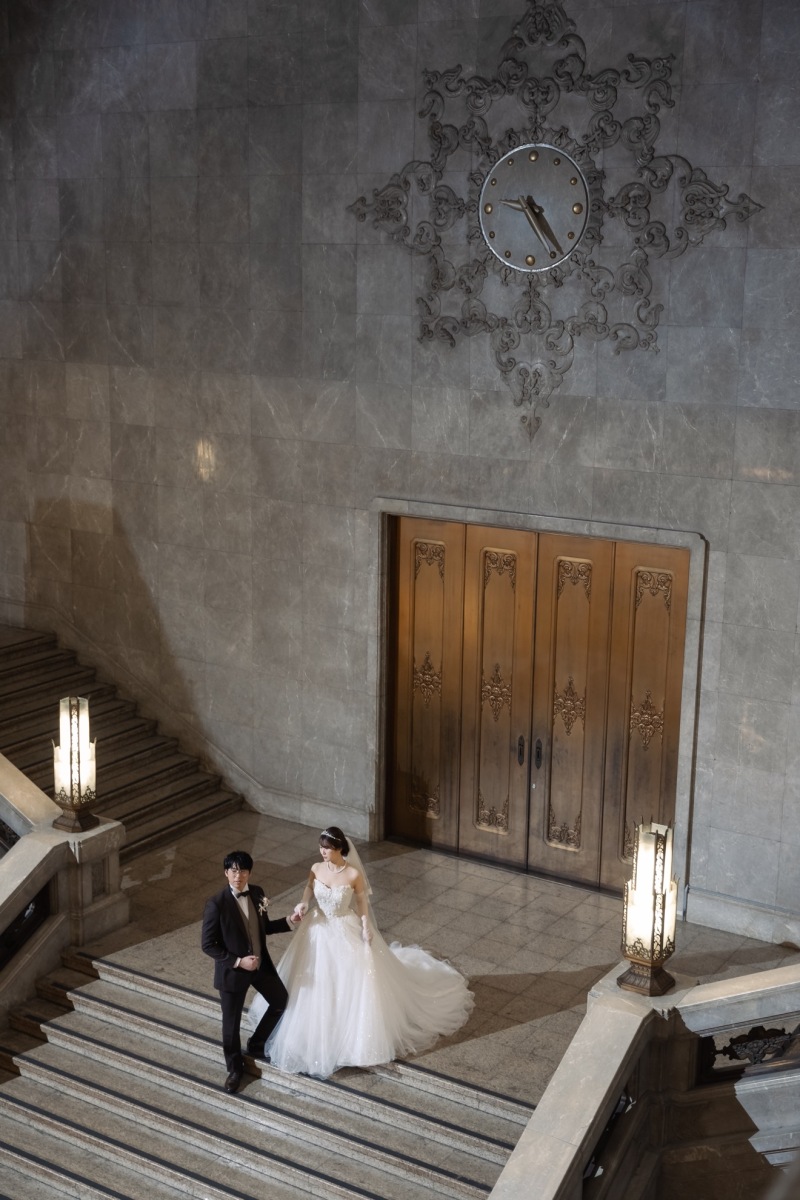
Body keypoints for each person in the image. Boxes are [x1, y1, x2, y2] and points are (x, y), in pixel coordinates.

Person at [248, 827, 473, 1078]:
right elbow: (309, 890)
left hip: (344, 926)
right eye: (321, 847)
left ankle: (350, 1038)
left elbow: (362, 904)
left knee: (350, 980)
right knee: (313, 979)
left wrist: (366, 927)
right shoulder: (315, 868)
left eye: (328, 848)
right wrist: (302, 903)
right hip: (318, 927)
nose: (323, 852)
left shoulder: (353, 874)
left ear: (339, 849)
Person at [201, 849, 302, 1093]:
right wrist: (238, 961)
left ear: (249, 873)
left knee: (280, 1001)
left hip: (260, 966)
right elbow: (208, 945)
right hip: (233, 972)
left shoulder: (257, 893)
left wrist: (290, 921)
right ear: (226, 873)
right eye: (234, 871)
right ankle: (235, 1069)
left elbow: (264, 927)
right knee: (230, 1024)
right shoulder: (216, 904)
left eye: (243, 870)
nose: (239, 876)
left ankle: (256, 1044)